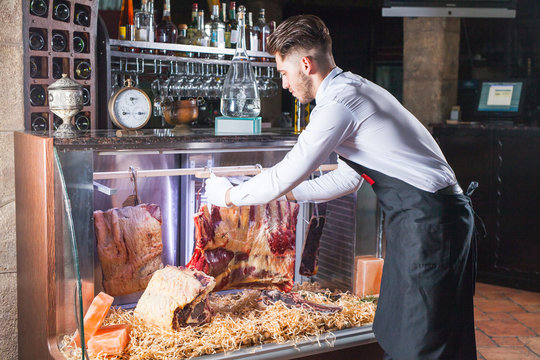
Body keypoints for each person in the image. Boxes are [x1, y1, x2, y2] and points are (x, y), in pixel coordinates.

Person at [205, 14, 477, 360]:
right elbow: (348, 179)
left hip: (429, 224)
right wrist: (289, 194)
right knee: (409, 332)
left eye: (284, 73)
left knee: (422, 342)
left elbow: (286, 173)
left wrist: (225, 196)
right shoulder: (353, 90)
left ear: (306, 64)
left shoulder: (338, 105)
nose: (285, 84)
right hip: (429, 220)